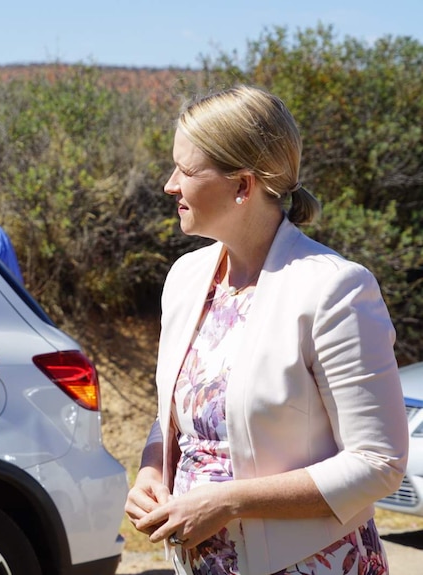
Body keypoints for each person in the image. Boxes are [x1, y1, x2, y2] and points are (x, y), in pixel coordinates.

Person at [124, 85, 408, 575]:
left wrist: (229, 502)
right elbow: (179, 414)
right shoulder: (186, 278)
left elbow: (378, 462)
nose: (170, 185)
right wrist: (154, 467)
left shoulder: (335, 288)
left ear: (242, 185)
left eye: (187, 171)